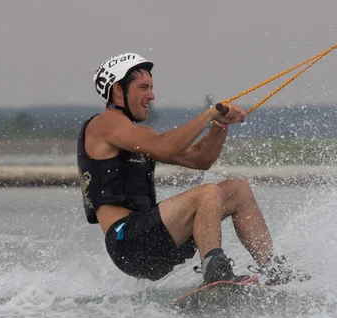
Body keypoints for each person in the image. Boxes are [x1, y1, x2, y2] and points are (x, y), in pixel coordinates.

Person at [77, 52, 309, 286]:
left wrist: (220, 125)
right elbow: (164, 148)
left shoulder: (141, 136)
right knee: (207, 192)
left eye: (151, 87)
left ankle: (273, 269)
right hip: (128, 241)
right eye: (143, 87)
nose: (151, 95)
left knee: (237, 190)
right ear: (118, 90)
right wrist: (208, 114)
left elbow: (201, 160)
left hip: (157, 240)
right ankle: (216, 274)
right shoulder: (103, 124)